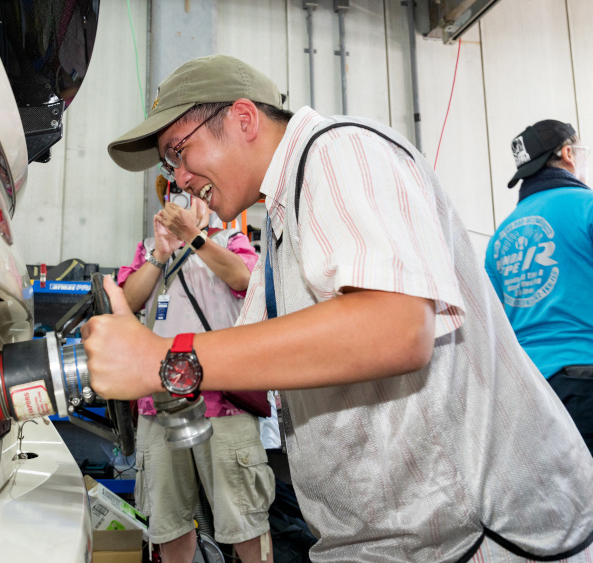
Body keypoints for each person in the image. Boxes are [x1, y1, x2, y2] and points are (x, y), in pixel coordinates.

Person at [82, 54, 593, 561]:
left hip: (482, 536)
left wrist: (162, 360)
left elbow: (394, 326)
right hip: (394, 542)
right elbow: (257, 367)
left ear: (243, 118)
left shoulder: (338, 150)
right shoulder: (282, 225)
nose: (179, 178)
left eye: (178, 152)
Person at [119, 177, 274, 563]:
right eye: (175, 196)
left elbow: (243, 278)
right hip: (159, 404)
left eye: (193, 196)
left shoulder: (231, 241)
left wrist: (195, 238)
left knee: (245, 520)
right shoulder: (150, 252)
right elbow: (127, 302)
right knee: (168, 523)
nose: (183, 203)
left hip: (224, 401)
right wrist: (159, 252)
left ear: (209, 202)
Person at [485, 119, 593, 454]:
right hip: (586, 379)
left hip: (529, 394)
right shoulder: (586, 209)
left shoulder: (498, 240)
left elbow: (493, 327)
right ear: (567, 153)